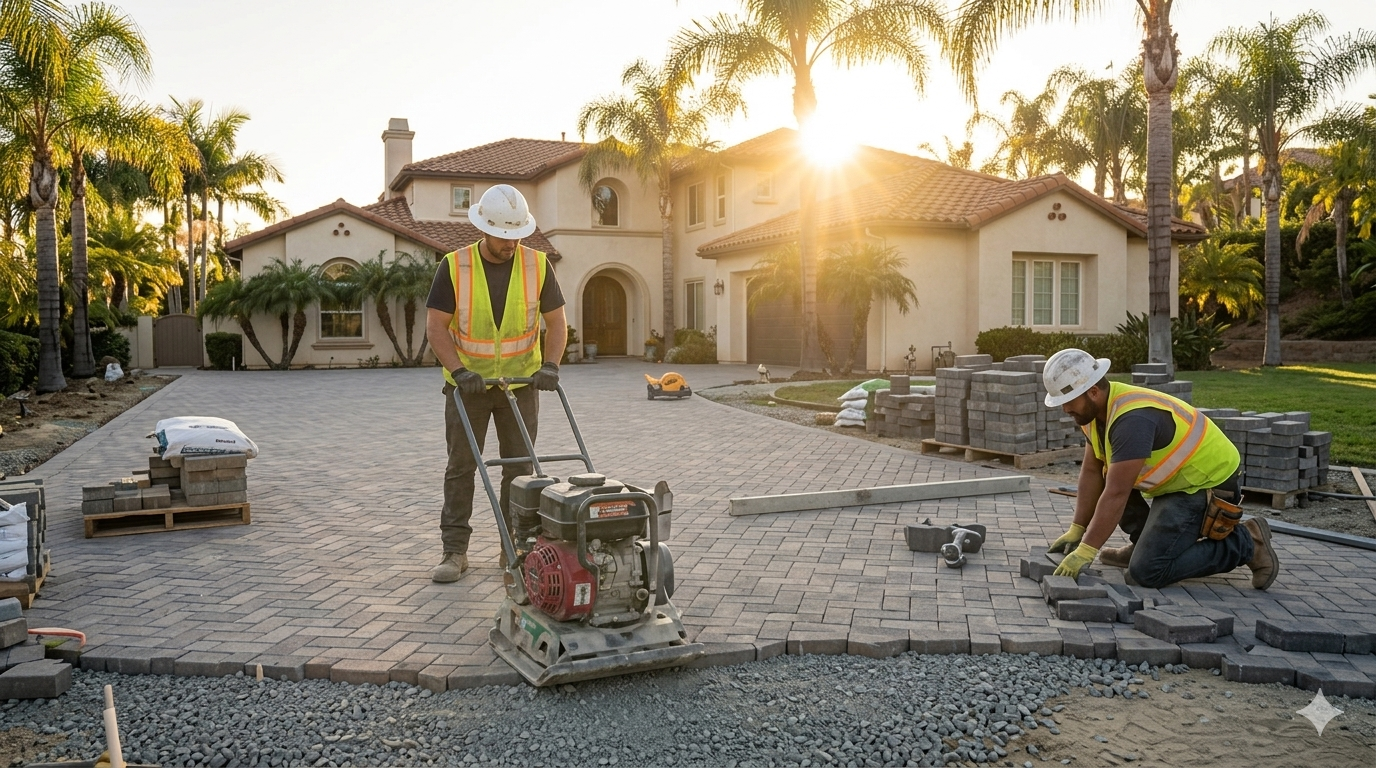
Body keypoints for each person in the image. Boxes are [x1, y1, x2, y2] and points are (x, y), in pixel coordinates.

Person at [1042, 348, 1278, 590]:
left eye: (1068, 402)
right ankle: (1146, 544)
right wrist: (1077, 528)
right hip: (1178, 482)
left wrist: (1086, 551)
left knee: (1146, 572)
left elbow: (1116, 494)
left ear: (1092, 392)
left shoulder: (1132, 420)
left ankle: (1248, 542)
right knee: (1108, 478)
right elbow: (1093, 472)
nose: (1065, 409)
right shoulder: (1095, 414)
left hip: (1206, 483)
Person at [424, 184, 567, 583]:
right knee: (461, 466)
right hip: (468, 386)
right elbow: (436, 325)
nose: (511, 243)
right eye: (505, 236)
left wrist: (551, 365)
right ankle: (455, 551)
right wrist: (460, 370)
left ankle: (515, 550)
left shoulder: (538, 265)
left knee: (520, 469)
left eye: (517, 234)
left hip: (520, 384)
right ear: (485, 229)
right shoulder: (455, 265)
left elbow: (556, 322)